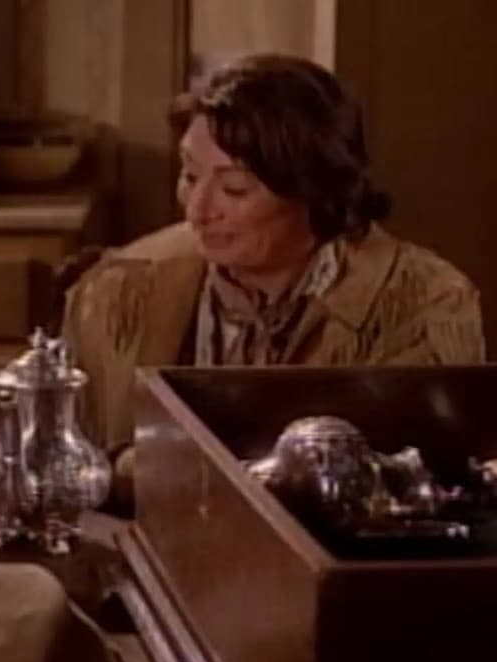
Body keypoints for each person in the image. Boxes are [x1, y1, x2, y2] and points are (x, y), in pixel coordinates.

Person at [61, 54, 485, 501]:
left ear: (313, 189)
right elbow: (65, 475)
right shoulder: (117, 291)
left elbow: (422, 493)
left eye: (234, 188)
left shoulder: (424, 305)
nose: (198, 210)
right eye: (189, 175)